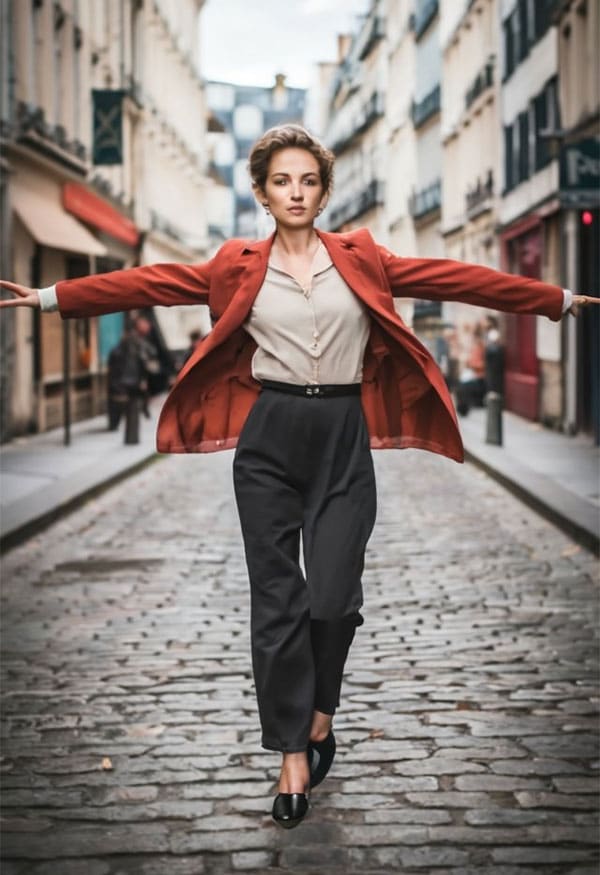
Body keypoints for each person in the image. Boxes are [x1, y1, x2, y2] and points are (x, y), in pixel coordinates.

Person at [0, 124, 597, 830]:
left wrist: (552, 298)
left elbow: (452, 276)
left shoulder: (362, 257)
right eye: (282, 181)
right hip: (270, 439)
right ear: (261, 191)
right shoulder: (235, 264)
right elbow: (153, 284)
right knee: (278, 599)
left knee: (335, 597)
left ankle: (320, 712)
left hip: (344, 434)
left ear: (323, 190)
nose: (296, 192)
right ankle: (291, 756)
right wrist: (48, 297)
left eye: (308, 181)